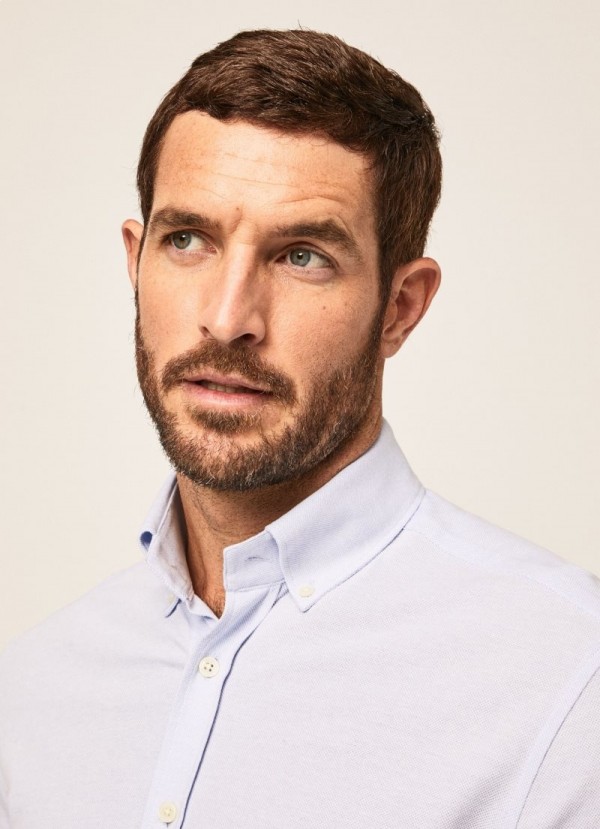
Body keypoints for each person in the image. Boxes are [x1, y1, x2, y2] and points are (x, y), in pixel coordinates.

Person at [1, 28, 599, 829]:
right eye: (188, 240)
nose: (227, 319)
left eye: (303, 256)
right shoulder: (30, 695)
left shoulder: (567, 682)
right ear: (136, 263)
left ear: (400, 308)